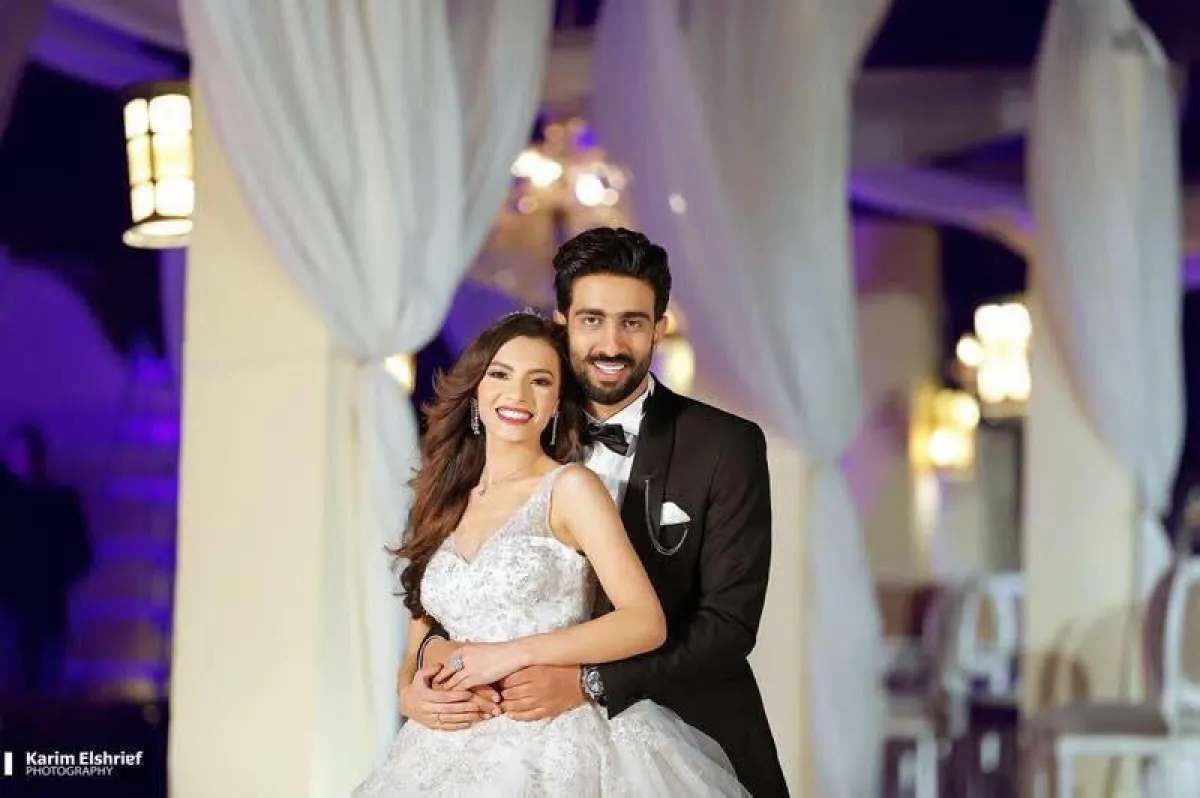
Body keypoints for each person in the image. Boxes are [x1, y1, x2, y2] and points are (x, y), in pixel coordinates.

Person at [418, 227, 790, 796]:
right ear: (562, 322)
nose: (611, 345)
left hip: (685, 740)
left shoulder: (724, 446)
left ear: (659, 328)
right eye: (592, 320)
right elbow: (447, 596)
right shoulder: (516, 430)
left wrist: (588, 682)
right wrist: (415, 677)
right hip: (508, 747)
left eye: (632, 323)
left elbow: (727, 627)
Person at [352, 311, 750, 796]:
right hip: (439, 750)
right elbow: (420, 633)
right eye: (500, 374)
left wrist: (507, 656)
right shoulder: (442, 498)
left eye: (539, 381)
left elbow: (645, 621)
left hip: (554, 739)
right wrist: (409, 692)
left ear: (557, 401)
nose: (517, 395)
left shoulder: (571, 488)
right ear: (475, 389)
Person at [0, 424, 92, 695]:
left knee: (43, 687)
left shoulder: (61, 504)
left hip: (45, 609)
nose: (26, 462)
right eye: (21, 456)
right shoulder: (12, 505)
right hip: (13, 609)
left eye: (30, 455)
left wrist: (52, 580)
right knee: (15, 685)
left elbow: (80, 553)